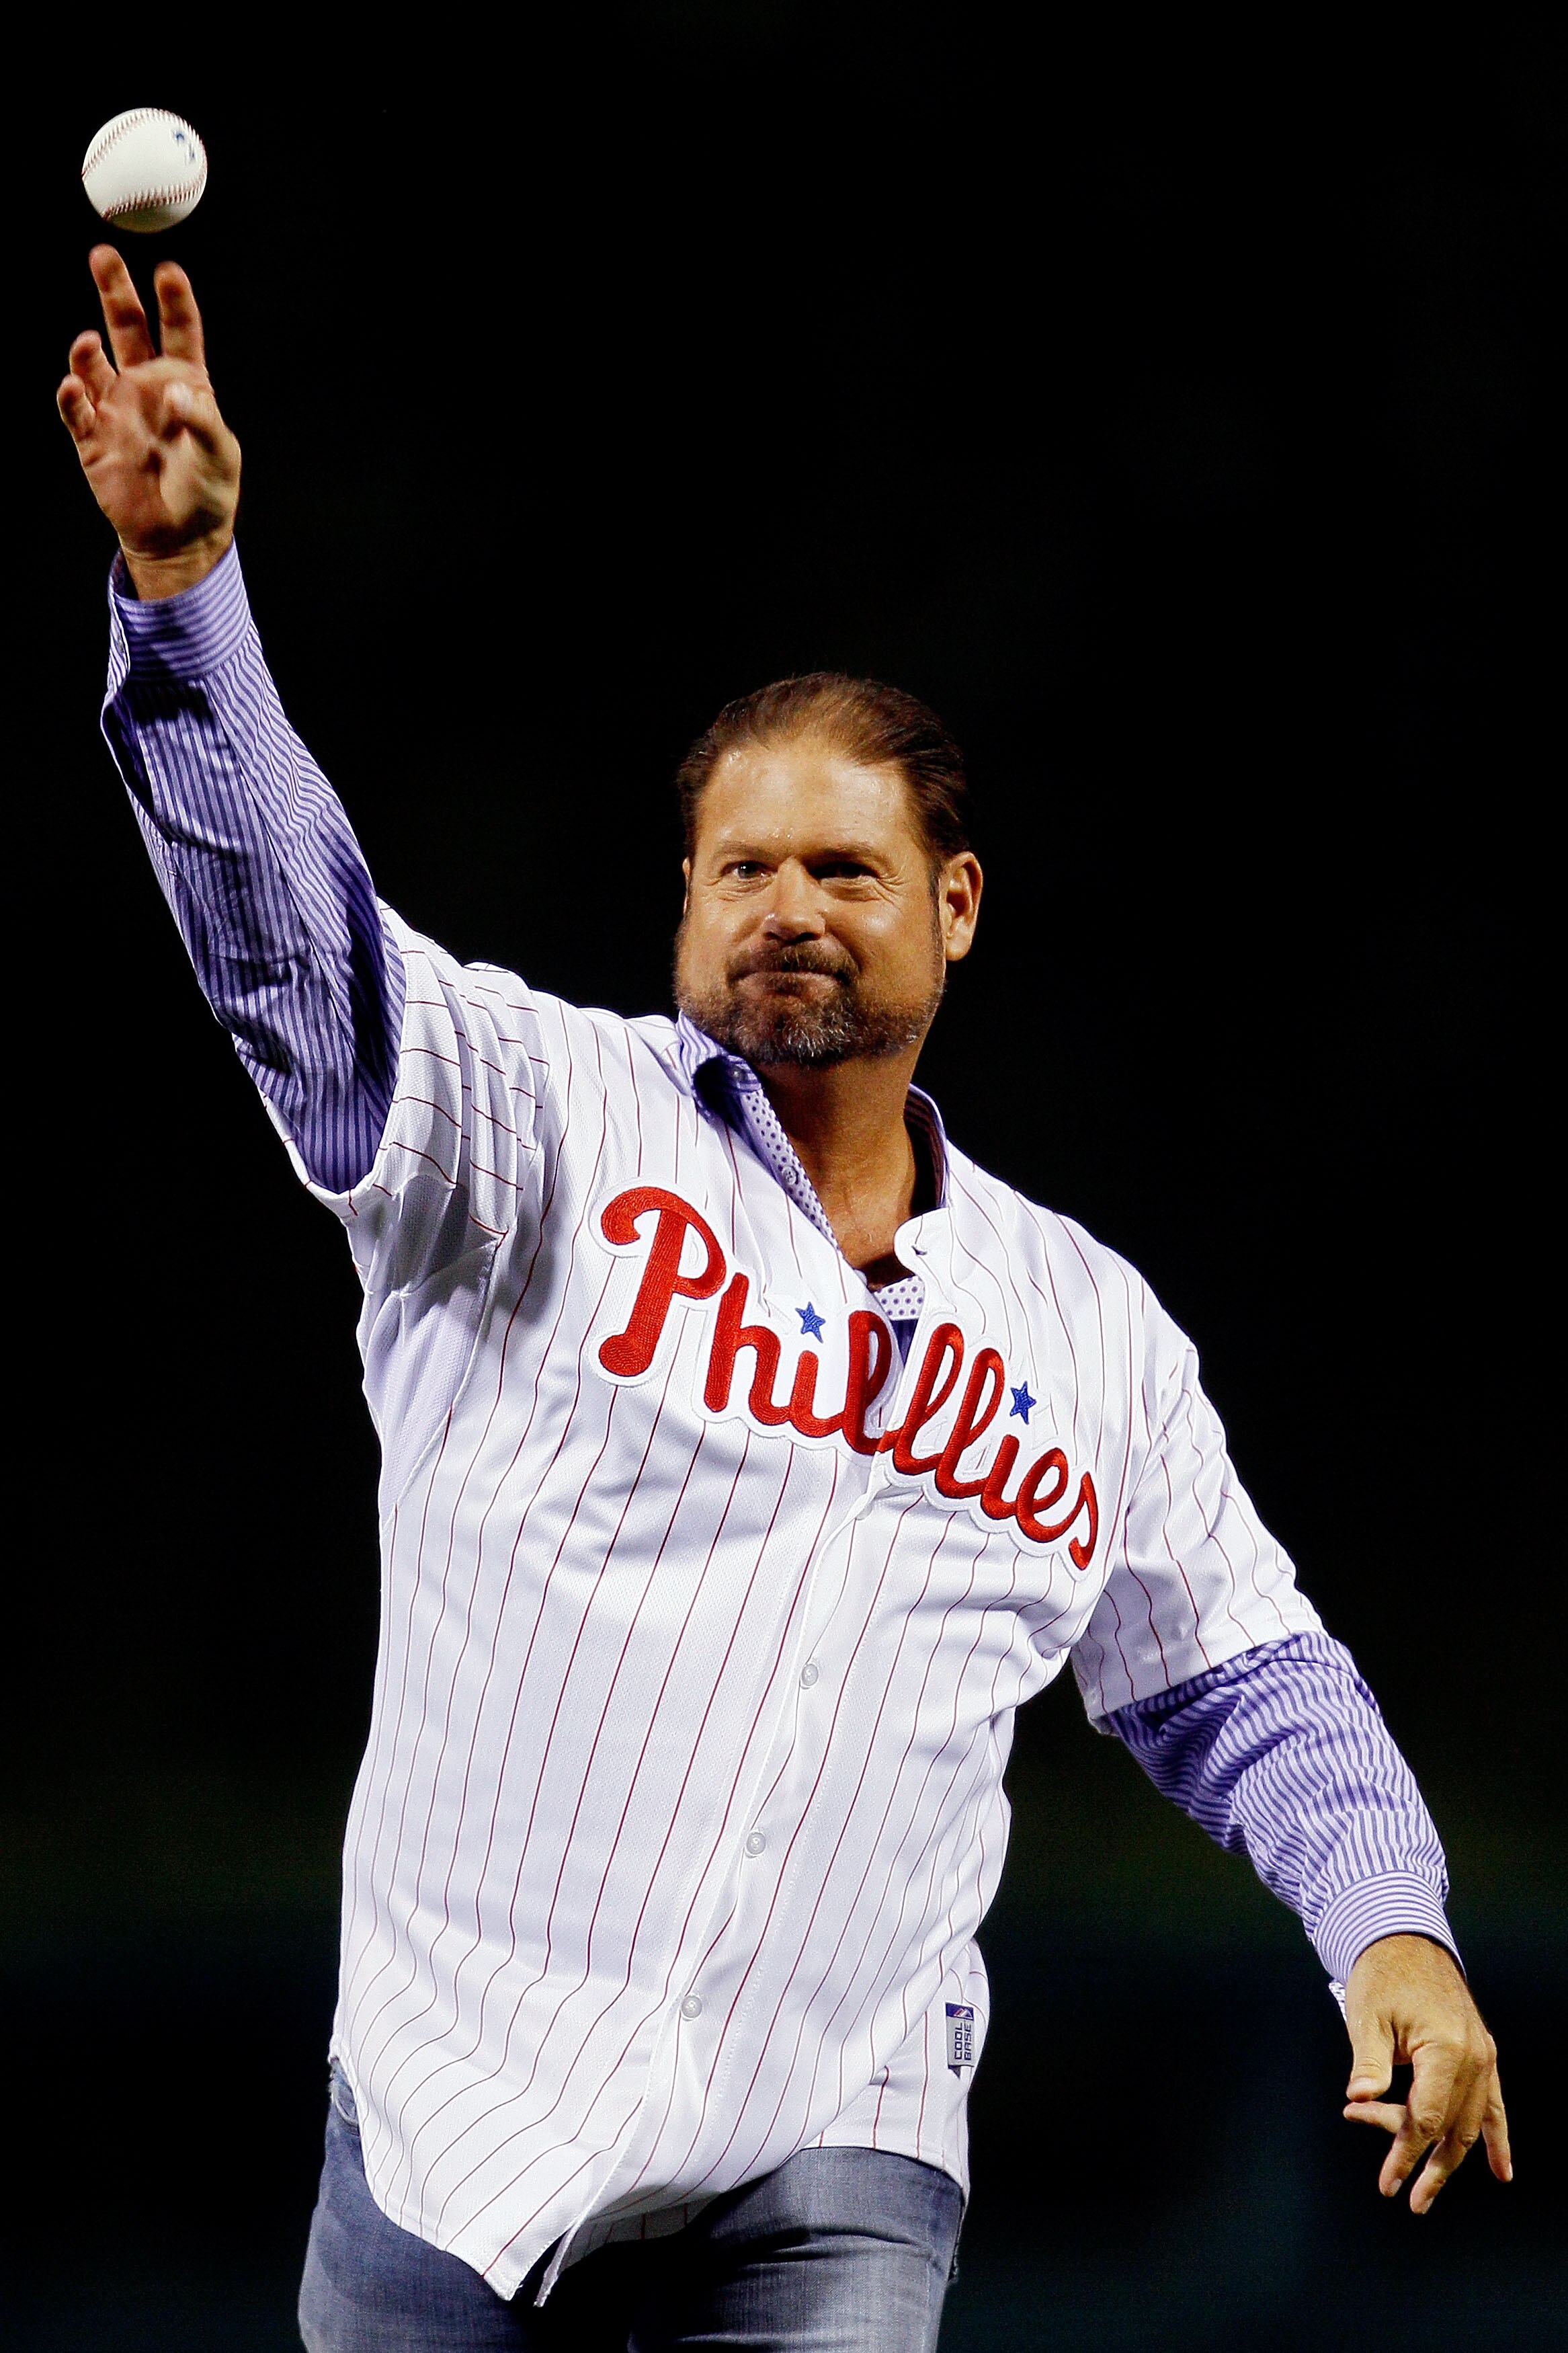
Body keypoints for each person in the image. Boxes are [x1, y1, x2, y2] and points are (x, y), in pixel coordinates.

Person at [58, 249, 1510, 2353]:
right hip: (461, 2113)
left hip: (836, 2151)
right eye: (742, 869)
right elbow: (295, 945)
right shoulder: (541, 1127)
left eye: (843, 869)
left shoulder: (1085, 1331)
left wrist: (1395, 1927)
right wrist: (188, 593)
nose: (788, 908)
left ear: (955, 905)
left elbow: (1245, 1676)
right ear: (683, 904)